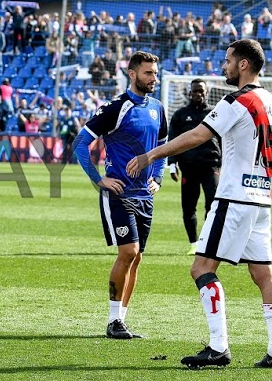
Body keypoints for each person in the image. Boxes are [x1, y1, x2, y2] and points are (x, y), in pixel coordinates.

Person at [129, 39, 272, 369]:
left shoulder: (237, 100)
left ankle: (218, 347)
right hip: (261, 198)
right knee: (263, 273)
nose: (224, 66)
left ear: (244, 64)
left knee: (201, 268)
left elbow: (200, 135)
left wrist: (151, 155)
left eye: (229, 60)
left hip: (233, 197)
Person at [71, 50, 167, 340]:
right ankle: (113, 321)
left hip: (145, 196)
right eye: (148, 73)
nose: (154, 78)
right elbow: (80, 143)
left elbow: (163, 148)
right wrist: (99, 179)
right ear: (132, 74)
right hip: (119, 193)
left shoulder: (158, 108)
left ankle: (121, 321)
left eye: (155, 72)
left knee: (136, 259)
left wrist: (158, 178)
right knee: (129, 252)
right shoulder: (115, 107)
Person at [167, 79, 222, 251]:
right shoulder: (181, 114)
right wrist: (172, 164)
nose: (198, 94)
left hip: (210, 166)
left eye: (201, 91)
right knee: (188, 207)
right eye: (195, 91)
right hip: (188, 168)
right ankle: (193, 243)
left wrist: (226, 163)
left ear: (206, 93)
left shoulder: (215, 113)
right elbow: (173, 140)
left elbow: (224, 140)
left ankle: (206, 241)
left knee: (212, 205)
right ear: (190, 93)